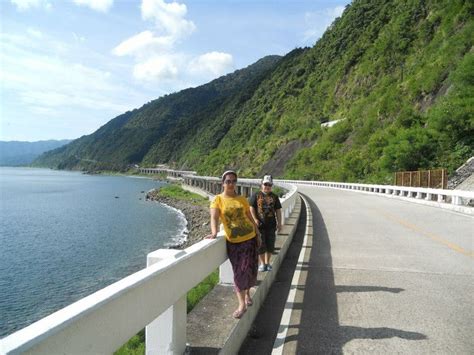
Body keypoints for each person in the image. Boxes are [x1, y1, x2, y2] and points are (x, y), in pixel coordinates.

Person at [205, 170, 261, 319]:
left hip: (250, 238)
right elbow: (214, 218)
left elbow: (249, 216)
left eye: (233, 181)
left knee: (250, 269)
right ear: (223, 183)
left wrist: (258, 233)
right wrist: (215, 232)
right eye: (228, 181)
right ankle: (241, 303)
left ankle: (248, 294)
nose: (231, 183)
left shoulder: (241, 198)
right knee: (239, 272)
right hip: (235, 243)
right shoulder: (217, 199)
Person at [249, 175, 282, 272]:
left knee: (270, 245)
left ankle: (267, 263)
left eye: (269, 185)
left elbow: (278, 210)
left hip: (271, 226)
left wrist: (280, 223)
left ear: (271, 186)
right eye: (265, 184)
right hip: (259, 226)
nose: (267, 186)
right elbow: (251, 208)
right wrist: (255, 219)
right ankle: (262, 264)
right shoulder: (256, 195)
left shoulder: (275, 196)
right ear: (261, 184)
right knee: (260, 245)